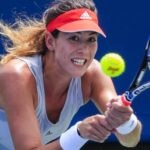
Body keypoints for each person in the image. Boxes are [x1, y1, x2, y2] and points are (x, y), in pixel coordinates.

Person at [0, 0, 142, 149]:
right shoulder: (16, 76)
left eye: (91, 39)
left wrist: (125, 121)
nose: (84, 50)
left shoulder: (93, 73)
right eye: (74, 38)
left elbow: (130, 140)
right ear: (50, 41)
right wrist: (78, 133)